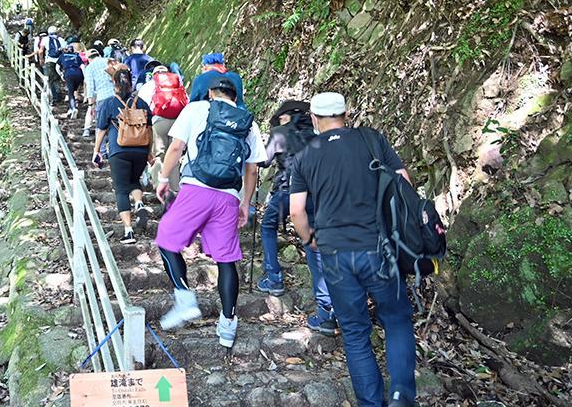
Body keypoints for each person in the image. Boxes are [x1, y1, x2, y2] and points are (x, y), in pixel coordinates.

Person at [289, 93, 416, 407]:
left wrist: (310, 240)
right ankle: (401, 396)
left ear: (315, 120)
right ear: (346, 114)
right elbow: (404, 183)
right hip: (378, 247)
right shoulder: (371, 140)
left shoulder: (306, 156)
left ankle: (371, 403)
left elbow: (297, 212)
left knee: (355, 331)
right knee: (397, 319)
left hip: (334, 254)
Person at [154, 77, 266, 349]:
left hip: (196, 190)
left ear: (210, 93)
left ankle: (184, 298)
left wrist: (164, 178)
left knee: (166, 239)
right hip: (229, 196)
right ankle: (228, 325)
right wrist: (245, 203)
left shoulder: (195, 109)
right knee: (226, 260)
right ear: (235, 95)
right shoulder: (247, 122)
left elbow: (176, 147)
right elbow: (252, 170)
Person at [257, 100, 337, 333]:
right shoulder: (316, 135)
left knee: (267, 227)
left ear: (287, 116)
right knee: (313, 245)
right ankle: (326, 310)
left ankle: (274, 277)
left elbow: (264, 160)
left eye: (280, 117)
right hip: (317, 197)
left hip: (288, 193)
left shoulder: (280, 133)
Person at [93, 68, 153, 245]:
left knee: (121, 189)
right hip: (141, 149)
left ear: (114, 83)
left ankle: (129, 231)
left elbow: (102, 129)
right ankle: (140, 204)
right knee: (134, 180)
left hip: (119, 150)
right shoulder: (141, 102)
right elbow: (149, 129)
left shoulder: (109, 103)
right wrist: (148, 152)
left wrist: (96, 151)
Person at [140, 65, 188, 195]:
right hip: (178, 122)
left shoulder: (150, 85)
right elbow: (186, 101)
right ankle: (175, 189)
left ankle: (160, 188)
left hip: (158, 122)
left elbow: (141, 106)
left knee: (159, 156)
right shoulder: (178, 84)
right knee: (175, 154)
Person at [82, 49, 115, 139]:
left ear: (88, 59)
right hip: (115, 95)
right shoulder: (109, 62)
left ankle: (102, 150)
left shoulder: (89, 67)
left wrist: (91, 105)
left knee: (101, 125)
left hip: (102, 97)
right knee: (115, 122)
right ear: (99, 55)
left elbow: (90, 88)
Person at [39, 26, 66, 104]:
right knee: (57, 78)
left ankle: (54, 97)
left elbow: (41, 51)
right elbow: (65, 50)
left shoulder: (45, 39)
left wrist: (41, 59)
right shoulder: (61, 40)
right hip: (60, 61)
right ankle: (58, 95)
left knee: (50, 79)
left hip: (49, 61)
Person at [57, 46, 84, 118]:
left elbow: (57, 67)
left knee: (70, 92)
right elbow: (82, 66)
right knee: (74, 90)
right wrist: (84, 76)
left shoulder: (62, 56)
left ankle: (73, 108)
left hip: (68, 73)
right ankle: (71, 107)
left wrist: (61, 75)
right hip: (78, 73)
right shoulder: (77, 56)